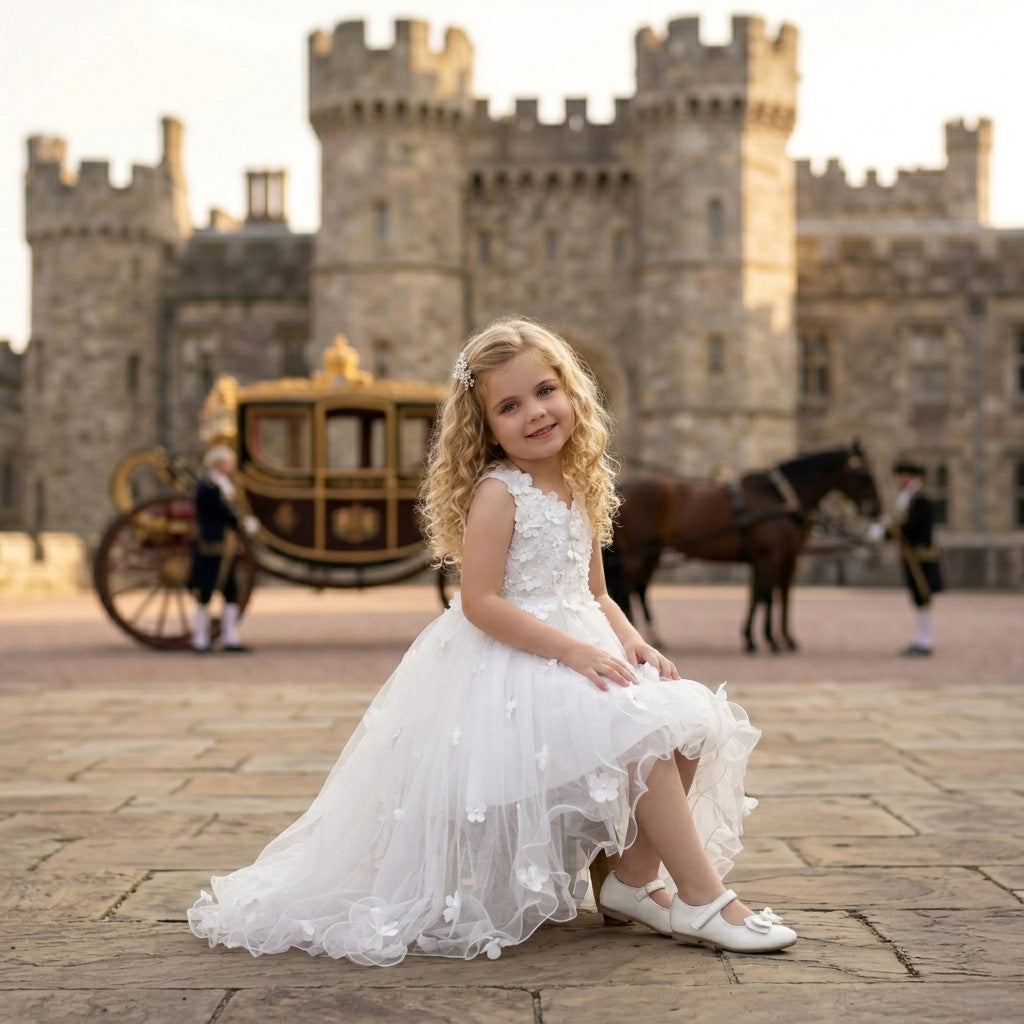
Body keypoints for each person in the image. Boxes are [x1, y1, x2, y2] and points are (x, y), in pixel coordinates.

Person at [187, 317, 796, 963]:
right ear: (484, 425)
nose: (534, 413)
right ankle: (702, 896)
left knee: (691, 719)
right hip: (517, 657)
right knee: (640, 731)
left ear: (571, 392)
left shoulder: (584, 483)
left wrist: (631, 641)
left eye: (544, 392)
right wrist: (570, 651)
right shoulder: (499, 492)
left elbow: (595, 592)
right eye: (509, 406)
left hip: (585, 645)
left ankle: (635, 882)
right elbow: (478, 603)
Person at [868, 460, 943, 656]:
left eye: (903, 476)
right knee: (918, 599)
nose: (900, 480)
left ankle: (925, 641)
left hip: (919, 555)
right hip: (911, 555)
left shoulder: (920, 499)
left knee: (922, 597)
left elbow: (911, 529)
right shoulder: (908, 498)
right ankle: (922, 638)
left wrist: (885, 533)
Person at [188, 445, 258, 653]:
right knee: (206, 592)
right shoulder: (208, 486)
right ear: (220, 464)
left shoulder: (222, 485)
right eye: (228, 463)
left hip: (227, 547)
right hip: (212, 545)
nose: (231, 467)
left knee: (231, 592)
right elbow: (221, 512)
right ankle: (200, 637)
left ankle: (229, 636)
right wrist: (241, 522)